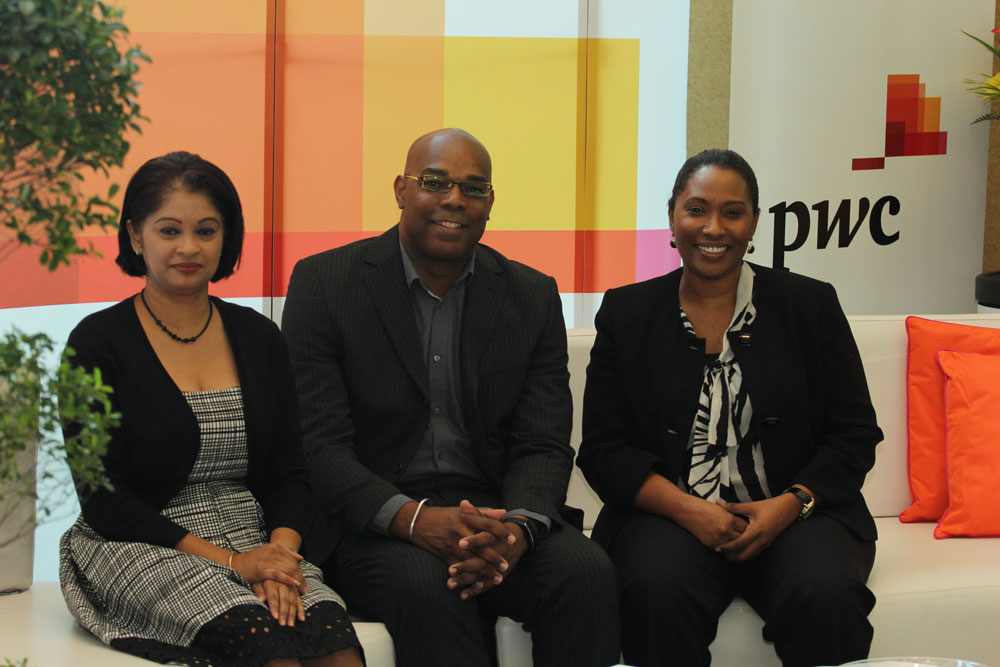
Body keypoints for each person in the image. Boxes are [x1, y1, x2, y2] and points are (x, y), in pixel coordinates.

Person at [281, 128, 620, 667]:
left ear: (490, 202)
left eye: (473, 188)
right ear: (401, 190)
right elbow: (319, 446)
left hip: (492, 512)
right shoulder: (325, 283)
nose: (455, 199)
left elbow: (543, 442)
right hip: (375, 522)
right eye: (434, 182)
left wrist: (516, 531)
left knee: (584, 573)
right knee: (430, 587)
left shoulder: (531, 295)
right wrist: (414, 520)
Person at [577, 149, 883, 667]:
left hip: (797, 516)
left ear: (754, 222)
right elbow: (604, 450)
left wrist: (790, 504)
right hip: (670, 519)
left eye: (732, 212)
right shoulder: (627, 313)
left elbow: (854, 435)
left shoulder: (810, 305)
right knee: (655, 591)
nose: (713, 228)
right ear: (672, 217)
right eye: (696, 209)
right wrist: (690, 511)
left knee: (826, 593)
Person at [59, 152, 364, 667]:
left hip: (254, 534)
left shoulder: (259, 336)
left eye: (206, 231)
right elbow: (105, 501)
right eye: (169, 230)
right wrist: (235, 564)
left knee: (337, 650)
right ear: (135, 236)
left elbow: (291, 474)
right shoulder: (94, 344)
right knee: (267, 650)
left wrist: (278, 558)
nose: (188, 247)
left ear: (227, 238)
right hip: (141, 542)